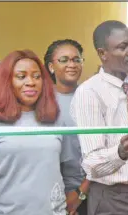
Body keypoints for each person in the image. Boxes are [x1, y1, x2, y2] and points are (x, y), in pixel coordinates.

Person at [0, 50, 77, 214]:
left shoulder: (55, 119)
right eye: (21, 76)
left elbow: (67, 171)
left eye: (36, 76)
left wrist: (75, 199)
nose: (31, 82)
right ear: (7, 81)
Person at [70, 20, 128, 215]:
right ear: (103, 54)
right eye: (122, 47)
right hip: (111, 199)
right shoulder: (89, 92)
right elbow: (92, 165)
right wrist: (120, 153)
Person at [44, 39, 88, 215]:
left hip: (89, 189)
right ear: (51, 66)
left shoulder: (91, 97)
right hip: (50, 193)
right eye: (64, 60)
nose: (72, 64)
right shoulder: (40, 101)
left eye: (76, 60)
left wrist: (79, 194)